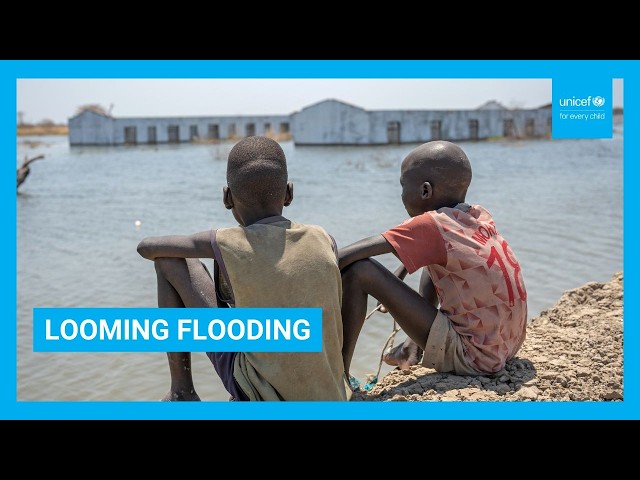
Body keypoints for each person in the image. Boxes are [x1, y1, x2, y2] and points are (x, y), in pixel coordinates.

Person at [137, 135, 350, 401]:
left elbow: (147, 247)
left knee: (171, 260)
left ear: (227, 198)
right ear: (289, 193)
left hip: (262, 396)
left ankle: (182, 392)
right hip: (330, 393)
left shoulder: (228, 241)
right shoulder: (323, 237)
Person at [339, 140, 528, 384]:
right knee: (434, 257)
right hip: (508, 346)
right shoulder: (476, 216)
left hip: (475, 357)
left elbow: (344, 257)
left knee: (359, 271)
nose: (401, 195)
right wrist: (397, 277)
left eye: (402, 187)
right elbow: (432, 249)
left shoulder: (431, 224)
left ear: (425, 191)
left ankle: (338, 376)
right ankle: (412, 348)